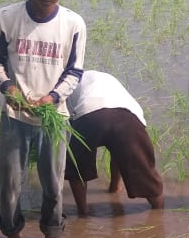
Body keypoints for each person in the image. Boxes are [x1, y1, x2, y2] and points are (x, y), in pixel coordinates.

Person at [0, 0, 87, 238]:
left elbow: (74, 72)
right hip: (14, 118)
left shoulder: (74, 24)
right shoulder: (6, 17)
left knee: (54, 187)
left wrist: (51, 98)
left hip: (53, 118)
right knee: (9, 187)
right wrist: (8, 88)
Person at [65, 70, 164, 216]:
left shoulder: (68, 82)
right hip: (127, 117)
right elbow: (119, 149)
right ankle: (158, 213)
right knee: (145, 175)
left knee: (77, 167)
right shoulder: (105, 79)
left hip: (88, 114)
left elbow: (65, 119)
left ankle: (83, 213)